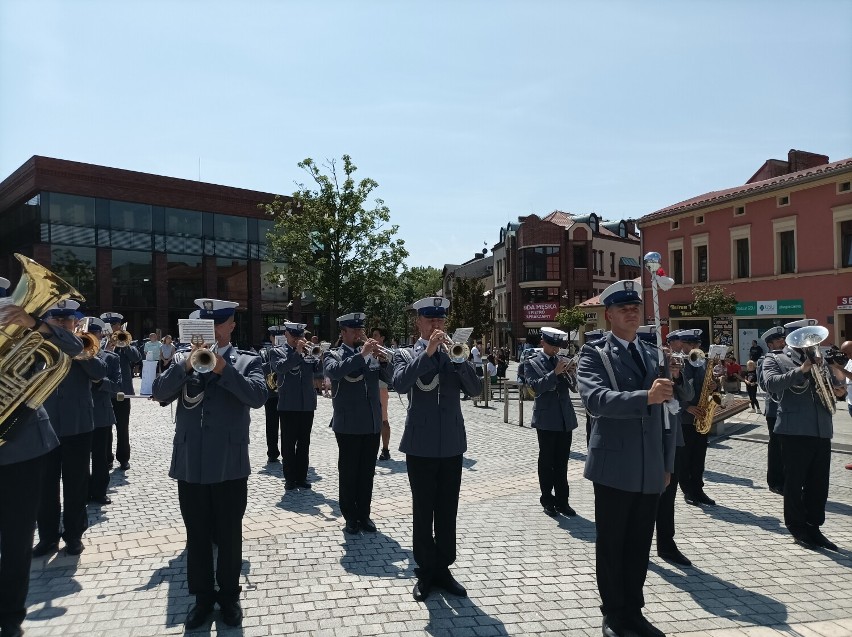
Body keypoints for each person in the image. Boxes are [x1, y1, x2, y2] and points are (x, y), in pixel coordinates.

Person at [152, 298, 267, 629]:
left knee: (230, 534)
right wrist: (186, 365)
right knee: (197, 534)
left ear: (231, 325)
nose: (212, 330)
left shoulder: (247, 360)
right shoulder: (180, 359)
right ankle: (202, 598)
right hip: (191, 461)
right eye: (205, 324)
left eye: (218, 324)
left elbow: (257, 397)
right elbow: (159, 394)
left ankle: (230, 596)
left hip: (230, 463)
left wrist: (222, 369)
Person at [577, 281, 675, 637]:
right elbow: (596, 400)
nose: (631, 313)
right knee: (613, 543)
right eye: (623, 309)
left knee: (639, 545)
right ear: (609, 315)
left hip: (650, 466)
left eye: (635, 308)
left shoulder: (654, 353)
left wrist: (667, 463)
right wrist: (644, 396)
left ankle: (634, 610)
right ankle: (614, 614)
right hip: (614, 466)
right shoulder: (595, 353)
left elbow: (669, 415)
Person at [0, 288, 83, 637]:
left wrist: (35, 323)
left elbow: (75, 348)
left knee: (16, 540)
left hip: (21, 448)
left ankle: (9, 618)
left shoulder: (26, 331)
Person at [393, 296, 482, 602]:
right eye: (430, 320)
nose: (437, 326)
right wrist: (427, 353)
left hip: (452, 445)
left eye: (441, 321)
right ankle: (426, 569)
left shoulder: (456, 353)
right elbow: (401, 384)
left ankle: (443, 567)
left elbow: (475, 389)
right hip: (420, 446)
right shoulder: (405, 353)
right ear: (418, 322)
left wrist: (461, 361)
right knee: (423, 510)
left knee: (447, 510)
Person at [36, 302, 107, 557]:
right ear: (48, 322)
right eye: (59, 321)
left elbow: (100, 373)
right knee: (46, 487)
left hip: (78, 426)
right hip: (46, 426)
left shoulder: (83, 347)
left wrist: (80, 353)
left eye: (69, 321)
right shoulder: (38, 348)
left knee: (76, 485)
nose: (66, 325)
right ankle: (47, 537)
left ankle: (74, 535)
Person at [762, 319, 838, 552]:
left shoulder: (819, 359)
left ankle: (814, 526)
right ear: (792, 338)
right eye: (805, 338)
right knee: (794, 483)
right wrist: (801, 370)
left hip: (821, 429)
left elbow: (833, 384)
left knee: (819, 483)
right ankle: (797, 527)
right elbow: (770, 384)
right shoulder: (775, 359)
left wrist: (838, 385)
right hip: (793, 430)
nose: (810, 343)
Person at [324, 313, 393, 534]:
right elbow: (334, 372)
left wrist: (383, 362)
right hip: (348, 424)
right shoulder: (332, 354)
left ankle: (364, 514)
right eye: (354, 331)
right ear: (343, 333)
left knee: (367, 473)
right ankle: (350, 517)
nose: (359, 334)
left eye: (360, 330)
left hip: (372, 423)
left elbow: (390, 379)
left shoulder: (371, 354)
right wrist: (361, 356)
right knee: (348, 472)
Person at [524, 327, 579, 517]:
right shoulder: (531, 362)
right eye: (552, 345)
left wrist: (572, 372)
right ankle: (547, 499)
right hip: (546, 419)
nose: (555, 349)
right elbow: (535, 388)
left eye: (557, 346)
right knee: (547, 461)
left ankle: (563, 501)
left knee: (562, 462)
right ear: (543, 343)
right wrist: (554, 373)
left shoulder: (561, 361)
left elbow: (574, 388)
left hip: (565, 418)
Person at [654, 329, 694, 567]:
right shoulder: (648, 368)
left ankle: (666, 544)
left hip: (674, 438)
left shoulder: (674, 366)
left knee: (669, 496)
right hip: (649, 439)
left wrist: (676, 374)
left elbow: (688, 394)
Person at [270, 321, 321, 491]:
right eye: (295, 336)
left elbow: (317, 369)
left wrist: (315, 355)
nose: (298, 339)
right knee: (288, 443)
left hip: (307, 403)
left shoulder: (308, 350)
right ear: (286, 335)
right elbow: (281, 368)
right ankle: (289, 478)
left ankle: (301, 477)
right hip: (288, 404)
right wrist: (297, 353)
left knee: (304, 443)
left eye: (300, 336)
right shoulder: (277, 352)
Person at [678, 329, 718, 508]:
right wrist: (686, 407)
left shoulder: (702, 364)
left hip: (701, 415)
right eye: (691, 344)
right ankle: (688, 491)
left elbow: (705, 387)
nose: (695, 348)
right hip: (685, 418)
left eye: (697, 344)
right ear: (683, 345)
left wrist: (713, 386)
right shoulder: (678, 364)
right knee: (685, 458)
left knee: (699, 457)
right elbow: (672, 391)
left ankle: (698, 489)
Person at [87, 317, 122, 506]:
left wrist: (100, 382)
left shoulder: (111, 358)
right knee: (82, 459)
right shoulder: (74, 356)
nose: (92, 336)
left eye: (95, 333)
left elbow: (117, 385)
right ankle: (83, 490)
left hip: (101, 414)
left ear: (100, 335)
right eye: (88, 333)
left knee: (100, 458)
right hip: (80, 415)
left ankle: (100, 492)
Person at [100, 312, 142, 471]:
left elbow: (137, 357)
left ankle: (123, 458)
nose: (112, 328)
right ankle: (107, 458)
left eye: (114, 325)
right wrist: (107, 347)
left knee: (122, 427)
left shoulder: (126, 342)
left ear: (119, 326)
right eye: (109, 325)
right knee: (106, 428)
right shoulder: (101, 343)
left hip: (122, 393)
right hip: (105, 391)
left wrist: (125, 346)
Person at [757, 326, 787, 494]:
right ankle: (775, 481)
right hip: (775, 409)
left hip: (789, 409)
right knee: (776, 447)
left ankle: (788, 479)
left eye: (782, 340)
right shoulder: (764, 360)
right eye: (778, 341)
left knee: (788, 447)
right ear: (769, 344)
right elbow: (764, 384)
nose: (782, 342)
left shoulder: (789, 358)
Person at [260, 326, 284, 464]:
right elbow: (260, 367)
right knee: (272, 425)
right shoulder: (264, 352)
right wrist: (273, 362)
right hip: (271, 392)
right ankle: (272, 452)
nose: (277, 339)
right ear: (271, 338)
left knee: (288, 426)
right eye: (275, 337)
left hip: (287, 393)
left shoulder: (288, 351)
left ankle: (288, 450)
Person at [370, 326, 393, 461]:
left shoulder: (387, 352)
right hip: (369, 388)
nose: (373, 337)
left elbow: (390, 376)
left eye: (376, 335)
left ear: (382, 338)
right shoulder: (367, 350)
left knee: (383, 420)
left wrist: (382, 359)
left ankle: (385, 449)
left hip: (381, 388)